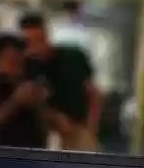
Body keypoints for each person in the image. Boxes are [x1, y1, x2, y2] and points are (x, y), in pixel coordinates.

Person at [19, 12, 103, 151]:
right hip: (46, 133)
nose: (36, 48)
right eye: (30, 43)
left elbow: (93, 93)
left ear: (46, 35)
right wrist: (52, 117)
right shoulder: (27, 66)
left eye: (39, 40)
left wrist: (91, 127)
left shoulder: (73, 57)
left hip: (79, 129)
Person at [0, 34, 48, 148]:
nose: (17, 69)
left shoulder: (29, 83)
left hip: (30, 151)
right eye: (12, 62)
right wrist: (14, 103)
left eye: (20, 63)